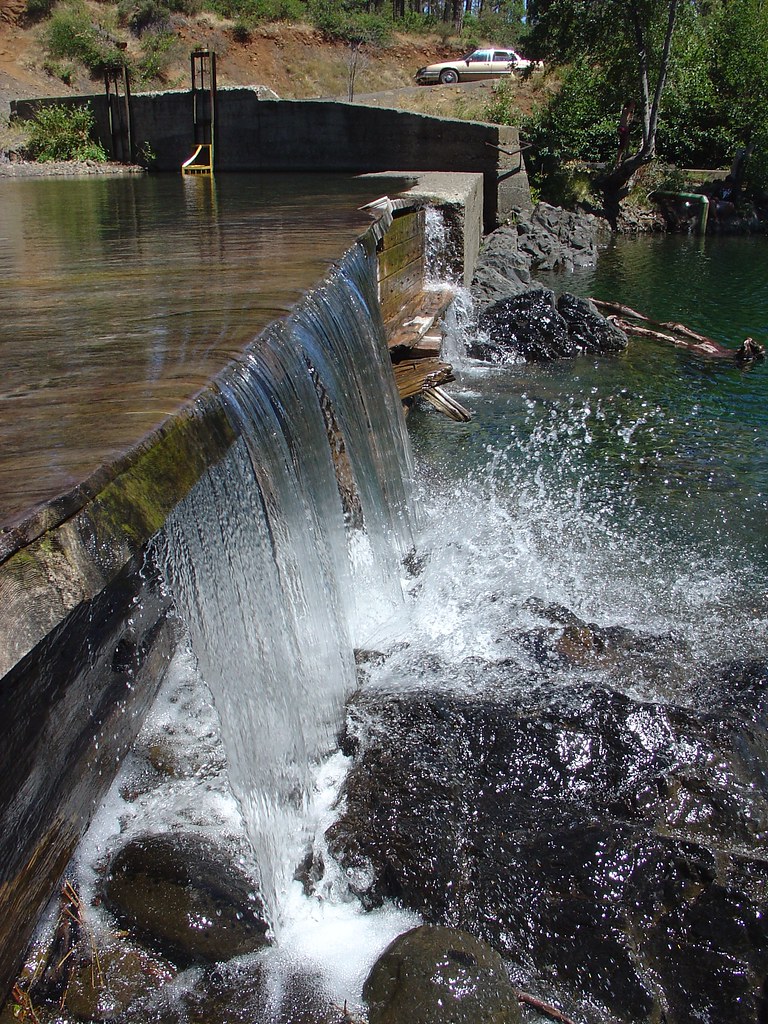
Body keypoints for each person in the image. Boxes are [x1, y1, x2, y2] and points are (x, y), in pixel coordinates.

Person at [615, 100, 636, 166]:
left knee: (627, 142)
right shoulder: (625, 110)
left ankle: (626, 155)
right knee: (622, 144)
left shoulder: (630, 113)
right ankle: (618, 160)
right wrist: (632, 108)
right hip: (622, 128)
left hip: (626, 129)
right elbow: (627, 111)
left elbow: (631, 120)